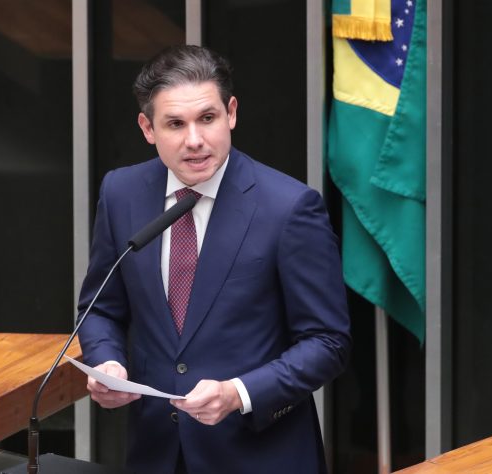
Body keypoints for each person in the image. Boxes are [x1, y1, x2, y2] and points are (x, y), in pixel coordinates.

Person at [77, 45, 351, 473]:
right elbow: (100, 309)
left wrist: (239, 392)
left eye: (208, 118)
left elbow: (328, 342)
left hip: (261, 455)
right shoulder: (120, 193)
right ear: (147, 128)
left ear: (232, 113)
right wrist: (107, 361)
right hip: (158, 453)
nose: (195, 140)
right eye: (175, 124)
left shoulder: (290, 207)